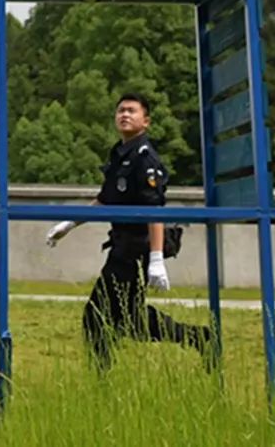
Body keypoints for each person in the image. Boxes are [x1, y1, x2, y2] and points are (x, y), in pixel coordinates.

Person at [46, 92, 213, 370]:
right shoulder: (120, 154)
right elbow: (105, 199)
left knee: (97, 317)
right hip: (123, 248)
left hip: (137, 249)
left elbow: (155, 209)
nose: (124, 114)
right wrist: (70, 224)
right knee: (126, 319)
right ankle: (199, 338)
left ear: (145, 121)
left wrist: (156, 259)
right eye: (120, 110)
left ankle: (103, 382)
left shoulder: (145, 158)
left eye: (132, 111)